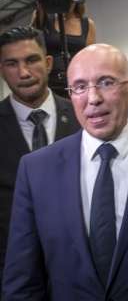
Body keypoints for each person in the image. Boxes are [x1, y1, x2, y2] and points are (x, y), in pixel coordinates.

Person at [2, 44, 128, 300]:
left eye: (106, 83)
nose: (93, 99)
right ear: (71, 95)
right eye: (80, 87)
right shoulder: (36, 169)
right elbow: (23, 278)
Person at [0, 27, 80, 290]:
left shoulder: (84, 117)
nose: (23, 72)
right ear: (1, 70)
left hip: (81, 271)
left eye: (31, 60)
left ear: (47, 63)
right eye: (12, 63)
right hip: (12, 273)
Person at [31, 0, 97, 98]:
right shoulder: (44, 18)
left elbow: (91, 59)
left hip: (78, 82)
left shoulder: (87, 24)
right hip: (49, 82)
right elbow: (30, 41)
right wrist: (41, 7)